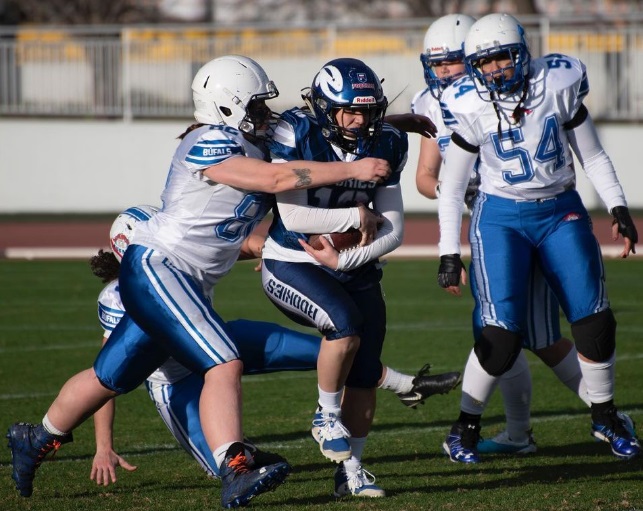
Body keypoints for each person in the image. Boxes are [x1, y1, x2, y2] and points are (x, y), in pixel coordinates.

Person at [6, 54, 397, 508]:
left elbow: (317, 125)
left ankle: (36, 437)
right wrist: (354, 169)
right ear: (226, 107)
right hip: (160, 267)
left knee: (110, 375)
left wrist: (386, 124)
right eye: (252, 105)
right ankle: (234, 469)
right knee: (225, 362)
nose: (262, 113)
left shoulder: (255, 137)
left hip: (185, 282)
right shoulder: (207, 141)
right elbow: (276, 178)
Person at [90, 205, 462, 485]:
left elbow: (246, 244)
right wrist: (103, 445)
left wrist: (274, 254)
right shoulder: (120, 298)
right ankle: (244, 451)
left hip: (221, 344)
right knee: (229, 468)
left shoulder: (182, 258)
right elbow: (109, 379)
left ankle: (404, 385)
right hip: (178, 381)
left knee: (334, 353)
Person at [435, 13, 640, 463]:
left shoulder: (558, 82)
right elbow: (451, 186)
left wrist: (619, 207)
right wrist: (449, 251)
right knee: (501, 334)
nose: (494, 71)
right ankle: (464, 428)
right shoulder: (469, 103)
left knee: (595, 318)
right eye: (484, 63)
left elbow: (594, 155)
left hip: (560, 208)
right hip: (501, 217)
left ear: (522, 55)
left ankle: (606, 419)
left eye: (501, 59)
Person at [260, 57, 408, 498]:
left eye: (366, 110)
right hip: (291, 259)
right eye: (349, 110)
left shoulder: (389, 140)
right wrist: (356, 215)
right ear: (325, 108)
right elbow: (294, 214)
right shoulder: (295, 131)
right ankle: (325, 414)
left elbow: (396, 229)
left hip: (354, 266)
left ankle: (351, 471)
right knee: (343, 326)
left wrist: (345, 261)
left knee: (364, 376)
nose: (359, 120)